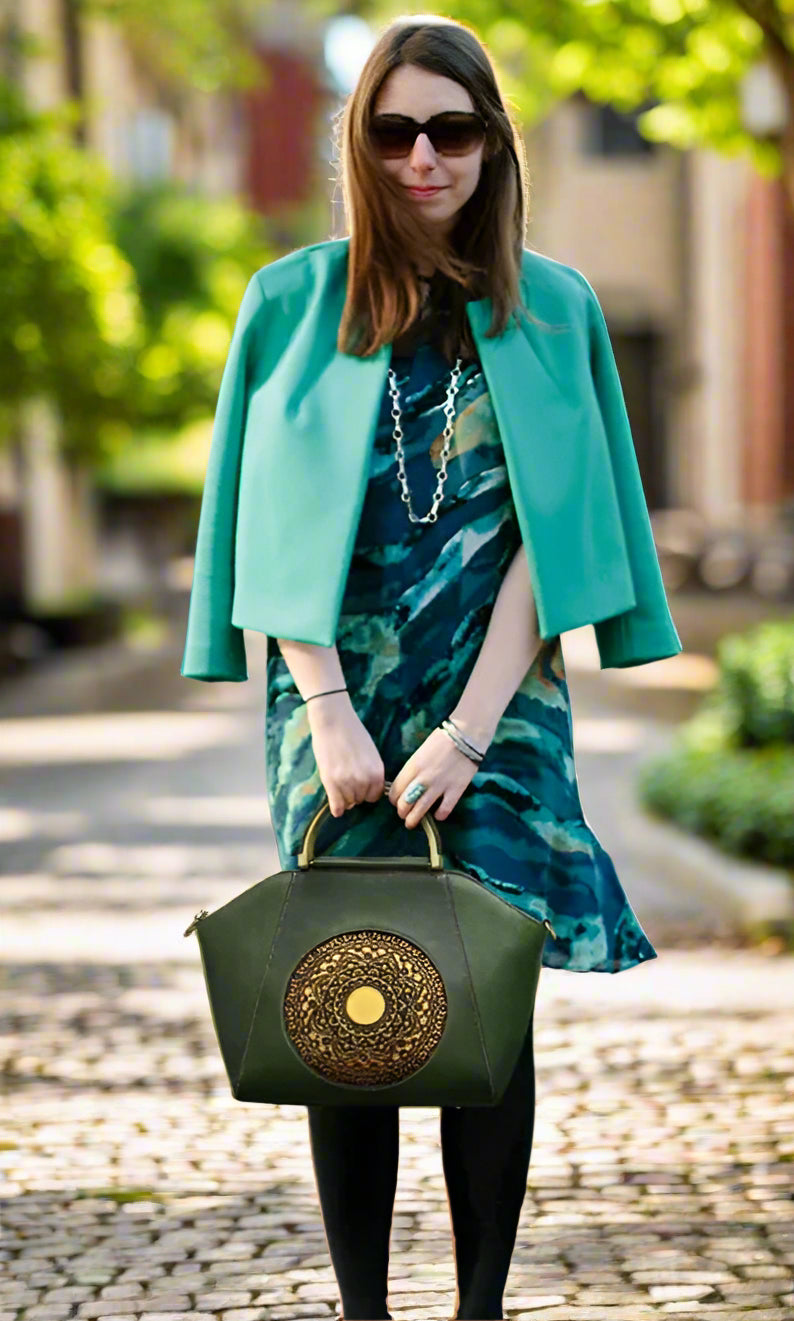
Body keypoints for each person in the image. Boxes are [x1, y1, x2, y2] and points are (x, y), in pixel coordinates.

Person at [181, 14, 682, 1320]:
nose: (421, 158)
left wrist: (466, 730)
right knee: (346, 1008)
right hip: (329, 697)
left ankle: (477, 1308)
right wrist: (334, 711)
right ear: (362, 141)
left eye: (450, 130)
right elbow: (258, 524)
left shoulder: (553, 305)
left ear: (489, 143)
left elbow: (550, 539)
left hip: (500, 697)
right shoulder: (289, 300)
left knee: (485, 1008)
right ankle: (362, 1310)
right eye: (393, 130)